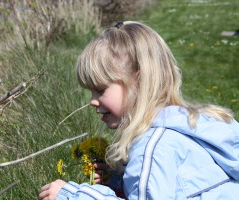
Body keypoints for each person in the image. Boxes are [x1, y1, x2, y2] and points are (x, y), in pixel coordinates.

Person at [38, 21, 239, 200]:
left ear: (139, 81)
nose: (92, 101)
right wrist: (119, 180)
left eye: (100, 90)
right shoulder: (188, 129)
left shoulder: (152, 149)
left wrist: (72, 196)